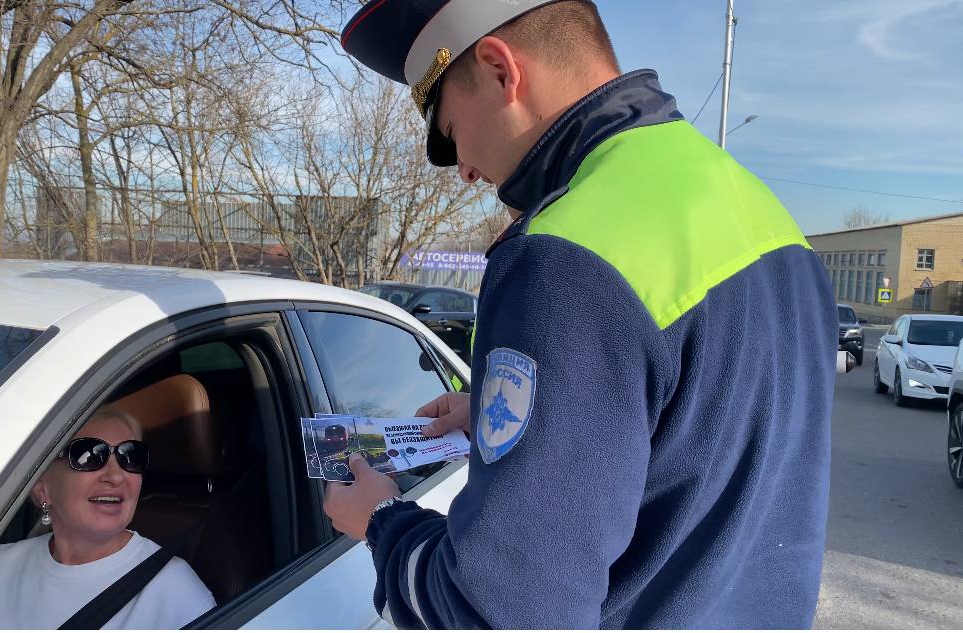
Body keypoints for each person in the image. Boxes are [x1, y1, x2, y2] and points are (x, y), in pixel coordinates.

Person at [324, 0, 835, 628]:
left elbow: (502, 614)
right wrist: (520, 407)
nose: (465, 171)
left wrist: (382, 523)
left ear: (498, 69)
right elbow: (693, 422)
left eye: (451, 133)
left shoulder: (563, 260)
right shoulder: (764, 214)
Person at [0, 408, 216, 629]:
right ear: (42, 487)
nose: (116, 475)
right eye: (89, 455)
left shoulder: (177, 593)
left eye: (129, 456)